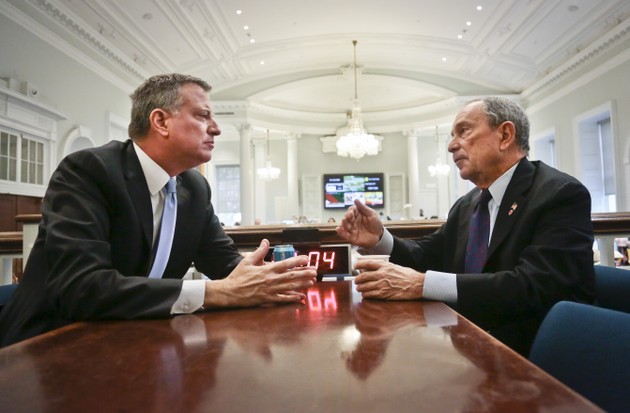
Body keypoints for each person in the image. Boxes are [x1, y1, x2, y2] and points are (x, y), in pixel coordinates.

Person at [0, 73, 317, 347]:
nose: (216, 129)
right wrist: (217, 292)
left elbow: (224, 263)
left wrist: (265, 277)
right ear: (161, 121)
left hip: (139, 340)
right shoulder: (88, 171)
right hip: (51, 343)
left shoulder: (195, 187)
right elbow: (82, 288)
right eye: (203, 116)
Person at [336, 97, 595, 355]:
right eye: (452, 136)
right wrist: (379, 238)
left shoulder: (560, 194)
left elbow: (535, 286)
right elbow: (430, 254)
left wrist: (421, 285)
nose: (451, 146)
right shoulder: (468, 203)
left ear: (505, 135)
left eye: (464, 131)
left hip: (537, 352)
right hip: (469, 345)